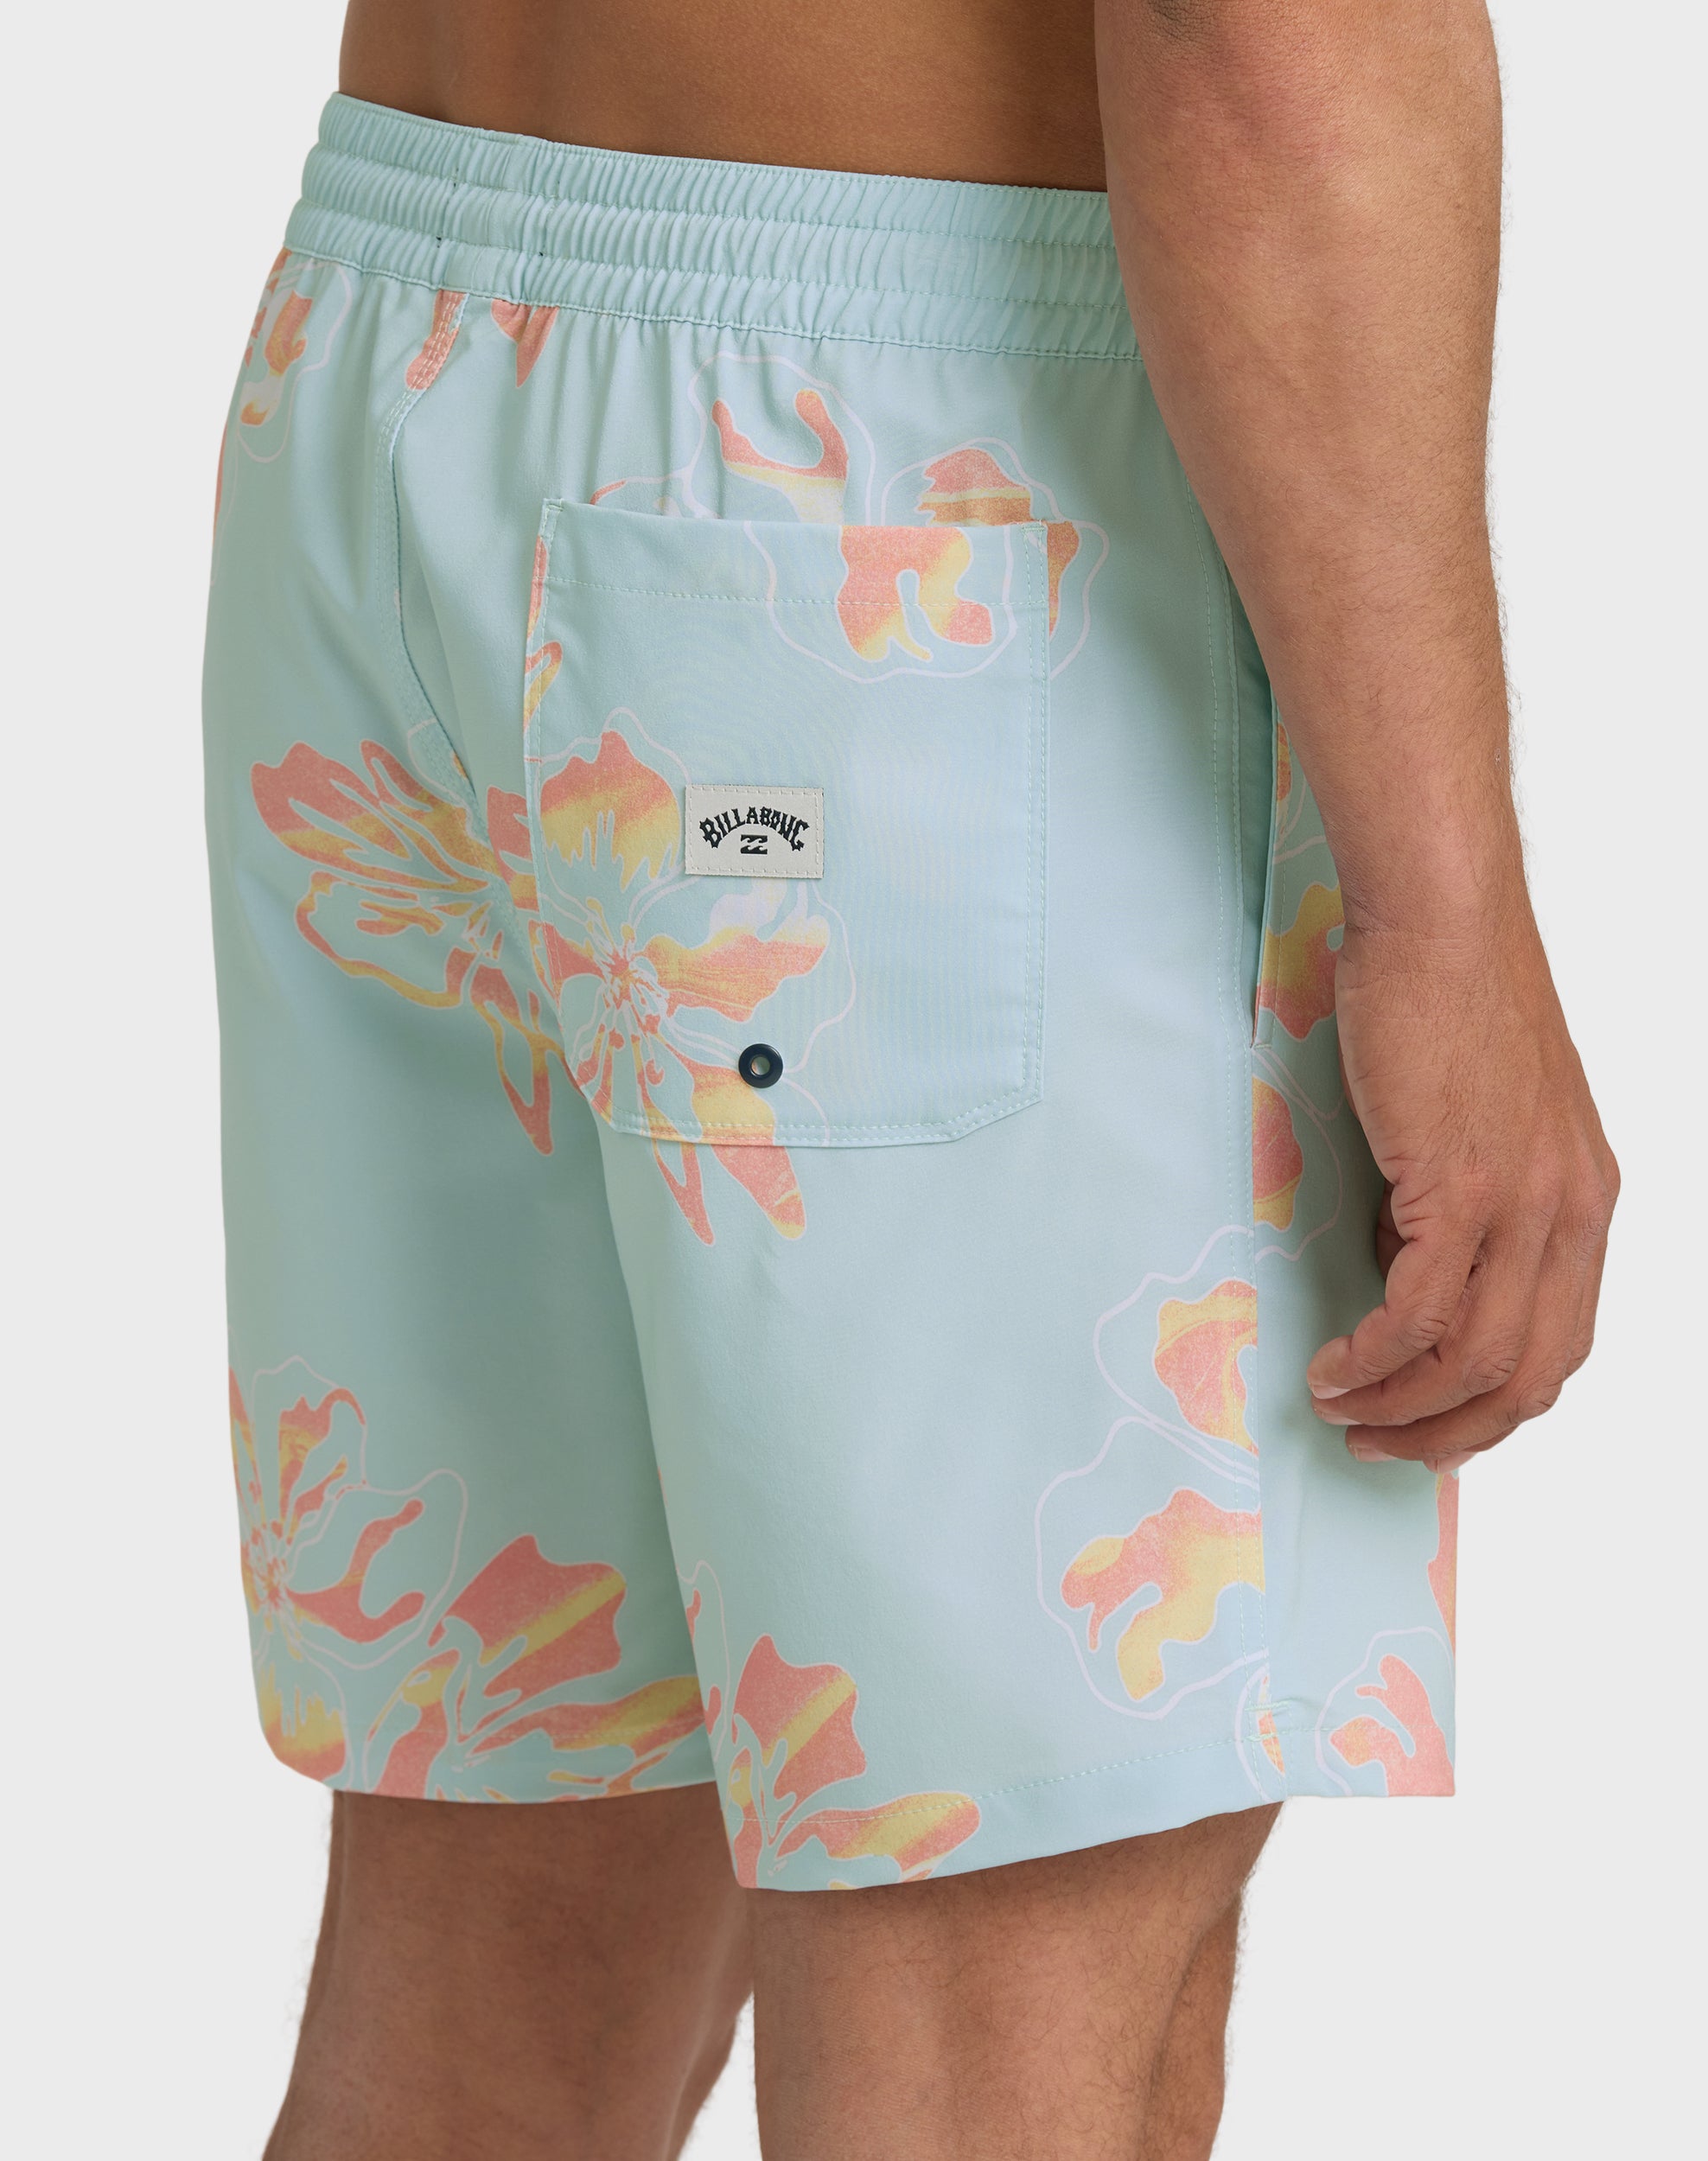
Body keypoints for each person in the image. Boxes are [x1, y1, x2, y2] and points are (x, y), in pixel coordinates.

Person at [203, 2, 1617, 2153]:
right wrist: (1442, 909)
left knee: (500, 1971)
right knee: (1002, 2014)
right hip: (901, 510)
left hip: (416, 347)